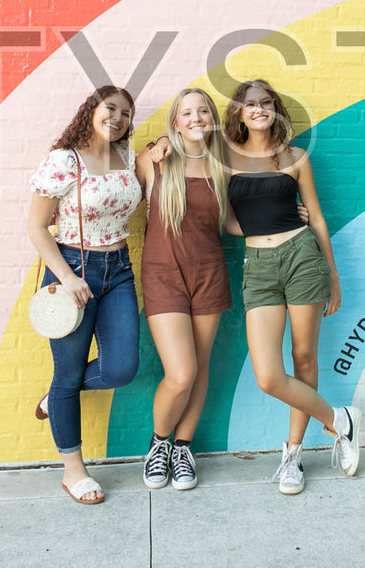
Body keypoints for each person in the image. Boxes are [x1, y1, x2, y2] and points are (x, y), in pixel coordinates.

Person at [225, 79, 361, 494]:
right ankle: (341, 421)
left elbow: (316, 218)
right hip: (259, 268)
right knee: (269, 375)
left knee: (304, 359)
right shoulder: (225, 161)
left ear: (275, 110)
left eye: (267, 103)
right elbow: (224, 221)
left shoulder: (295, 157)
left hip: (302, 257)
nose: (260, 109)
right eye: (251, 104)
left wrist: (333, 274)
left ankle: (292, 456)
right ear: (239, 113)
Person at [26, 85, 143, 505]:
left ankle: (55, 396)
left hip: (119, 271)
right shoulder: (64, 161)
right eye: (110, 109)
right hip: (72, 271)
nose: (118, 118)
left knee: (121, 369)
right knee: (68, 374)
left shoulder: (127, 157)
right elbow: (38, 227)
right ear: (91, 110)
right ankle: (73, 470)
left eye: (126, 114)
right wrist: (67, 276)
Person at [135, 88, 234, 491]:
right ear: (175, 123)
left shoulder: (224, 167)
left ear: (212, 119)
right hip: (162, 274)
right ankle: (158, 445)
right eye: (187, 113)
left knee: (201, 367)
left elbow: (230, 225)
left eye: (203, 111)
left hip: (209, 273)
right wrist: (156, 144)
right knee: (182, 373)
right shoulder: (155, 160)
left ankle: (182, 447)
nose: (196, 118)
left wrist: (282, 222)